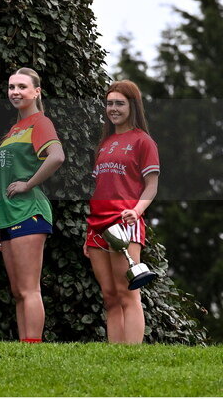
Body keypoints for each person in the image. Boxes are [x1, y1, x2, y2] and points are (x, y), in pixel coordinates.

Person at [0, 68, 65, 343]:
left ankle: (33, 347)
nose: (15, 92)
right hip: (9, 216)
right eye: (11, 87)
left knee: (29, 289)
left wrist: (27, 184)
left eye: (22, 86)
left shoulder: (39, 122)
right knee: (18, 291)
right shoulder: (15, 128)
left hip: (29, 212)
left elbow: (56, 157)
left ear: (36, 92)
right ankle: (25, 348)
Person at [85, 79, 159, 344]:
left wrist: (136, 211)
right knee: (109, 296)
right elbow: (99, 190)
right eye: (109, 103)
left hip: (124, 222)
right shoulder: (104, 144)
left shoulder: (143, 141)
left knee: (127, 292)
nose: (113, 108)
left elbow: (151, 187)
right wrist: (88, 232)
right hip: (97, 225)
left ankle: (132, 355)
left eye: (119, 103)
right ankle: (115, 355)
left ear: (133, 105)